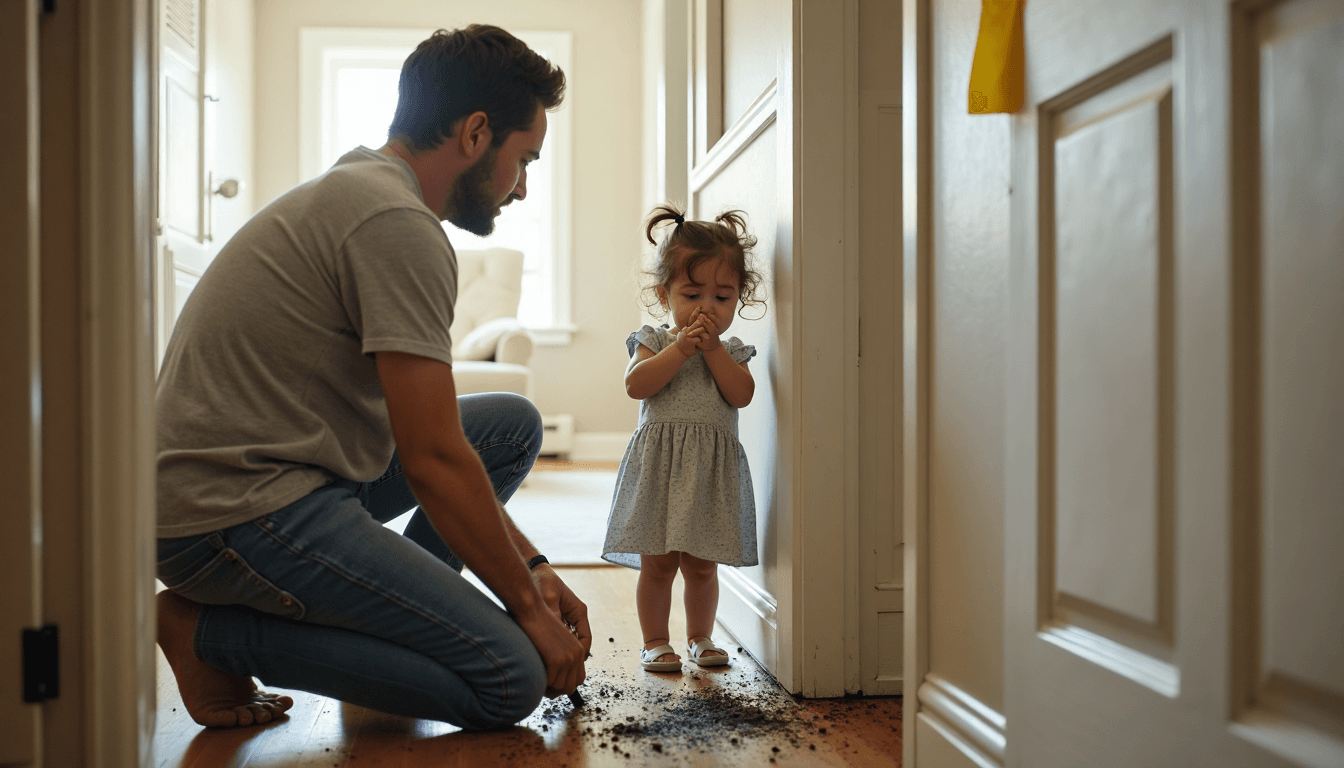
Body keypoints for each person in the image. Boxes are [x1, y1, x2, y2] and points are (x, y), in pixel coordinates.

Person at [153, 25, 591, 731]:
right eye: (524, 159)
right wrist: (530, 613)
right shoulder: (397, 223)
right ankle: (206, 632)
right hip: (231, 514)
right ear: (477, 133)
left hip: (281, 473)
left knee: (509, 426)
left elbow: (435, 440)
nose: (523, 187)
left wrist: (531, 564)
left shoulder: (367, 189)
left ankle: (403, 622)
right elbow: (434, 459)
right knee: (509, 679)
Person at [601, 204, 765, 671]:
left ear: (738, 299)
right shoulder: (654, 339)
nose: (706, 308)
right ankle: (655, 640)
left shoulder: (731, 350)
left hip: (707, 473)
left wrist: (712, 351)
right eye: (692, 293)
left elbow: (742, 394)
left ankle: (701, 637)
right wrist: (680, 348)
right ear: (664, 292)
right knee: (658, 565)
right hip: (660, 468)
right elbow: (637, 385)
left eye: (722, 297)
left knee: (701, 565)